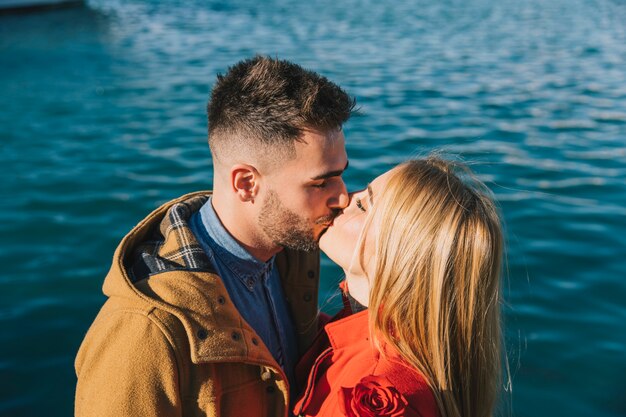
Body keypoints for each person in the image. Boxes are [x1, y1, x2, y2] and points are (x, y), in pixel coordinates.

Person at [75, 56, 355, 417]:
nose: (343, 196)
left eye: (341, 174)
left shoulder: (291, 255)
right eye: (320, 182)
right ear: (246, 183)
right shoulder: (143, 332)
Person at [293, 157, 504, 417]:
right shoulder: (386, 344)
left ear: (399, 253)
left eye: (363, 204)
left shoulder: (373, 394)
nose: (345, 198)